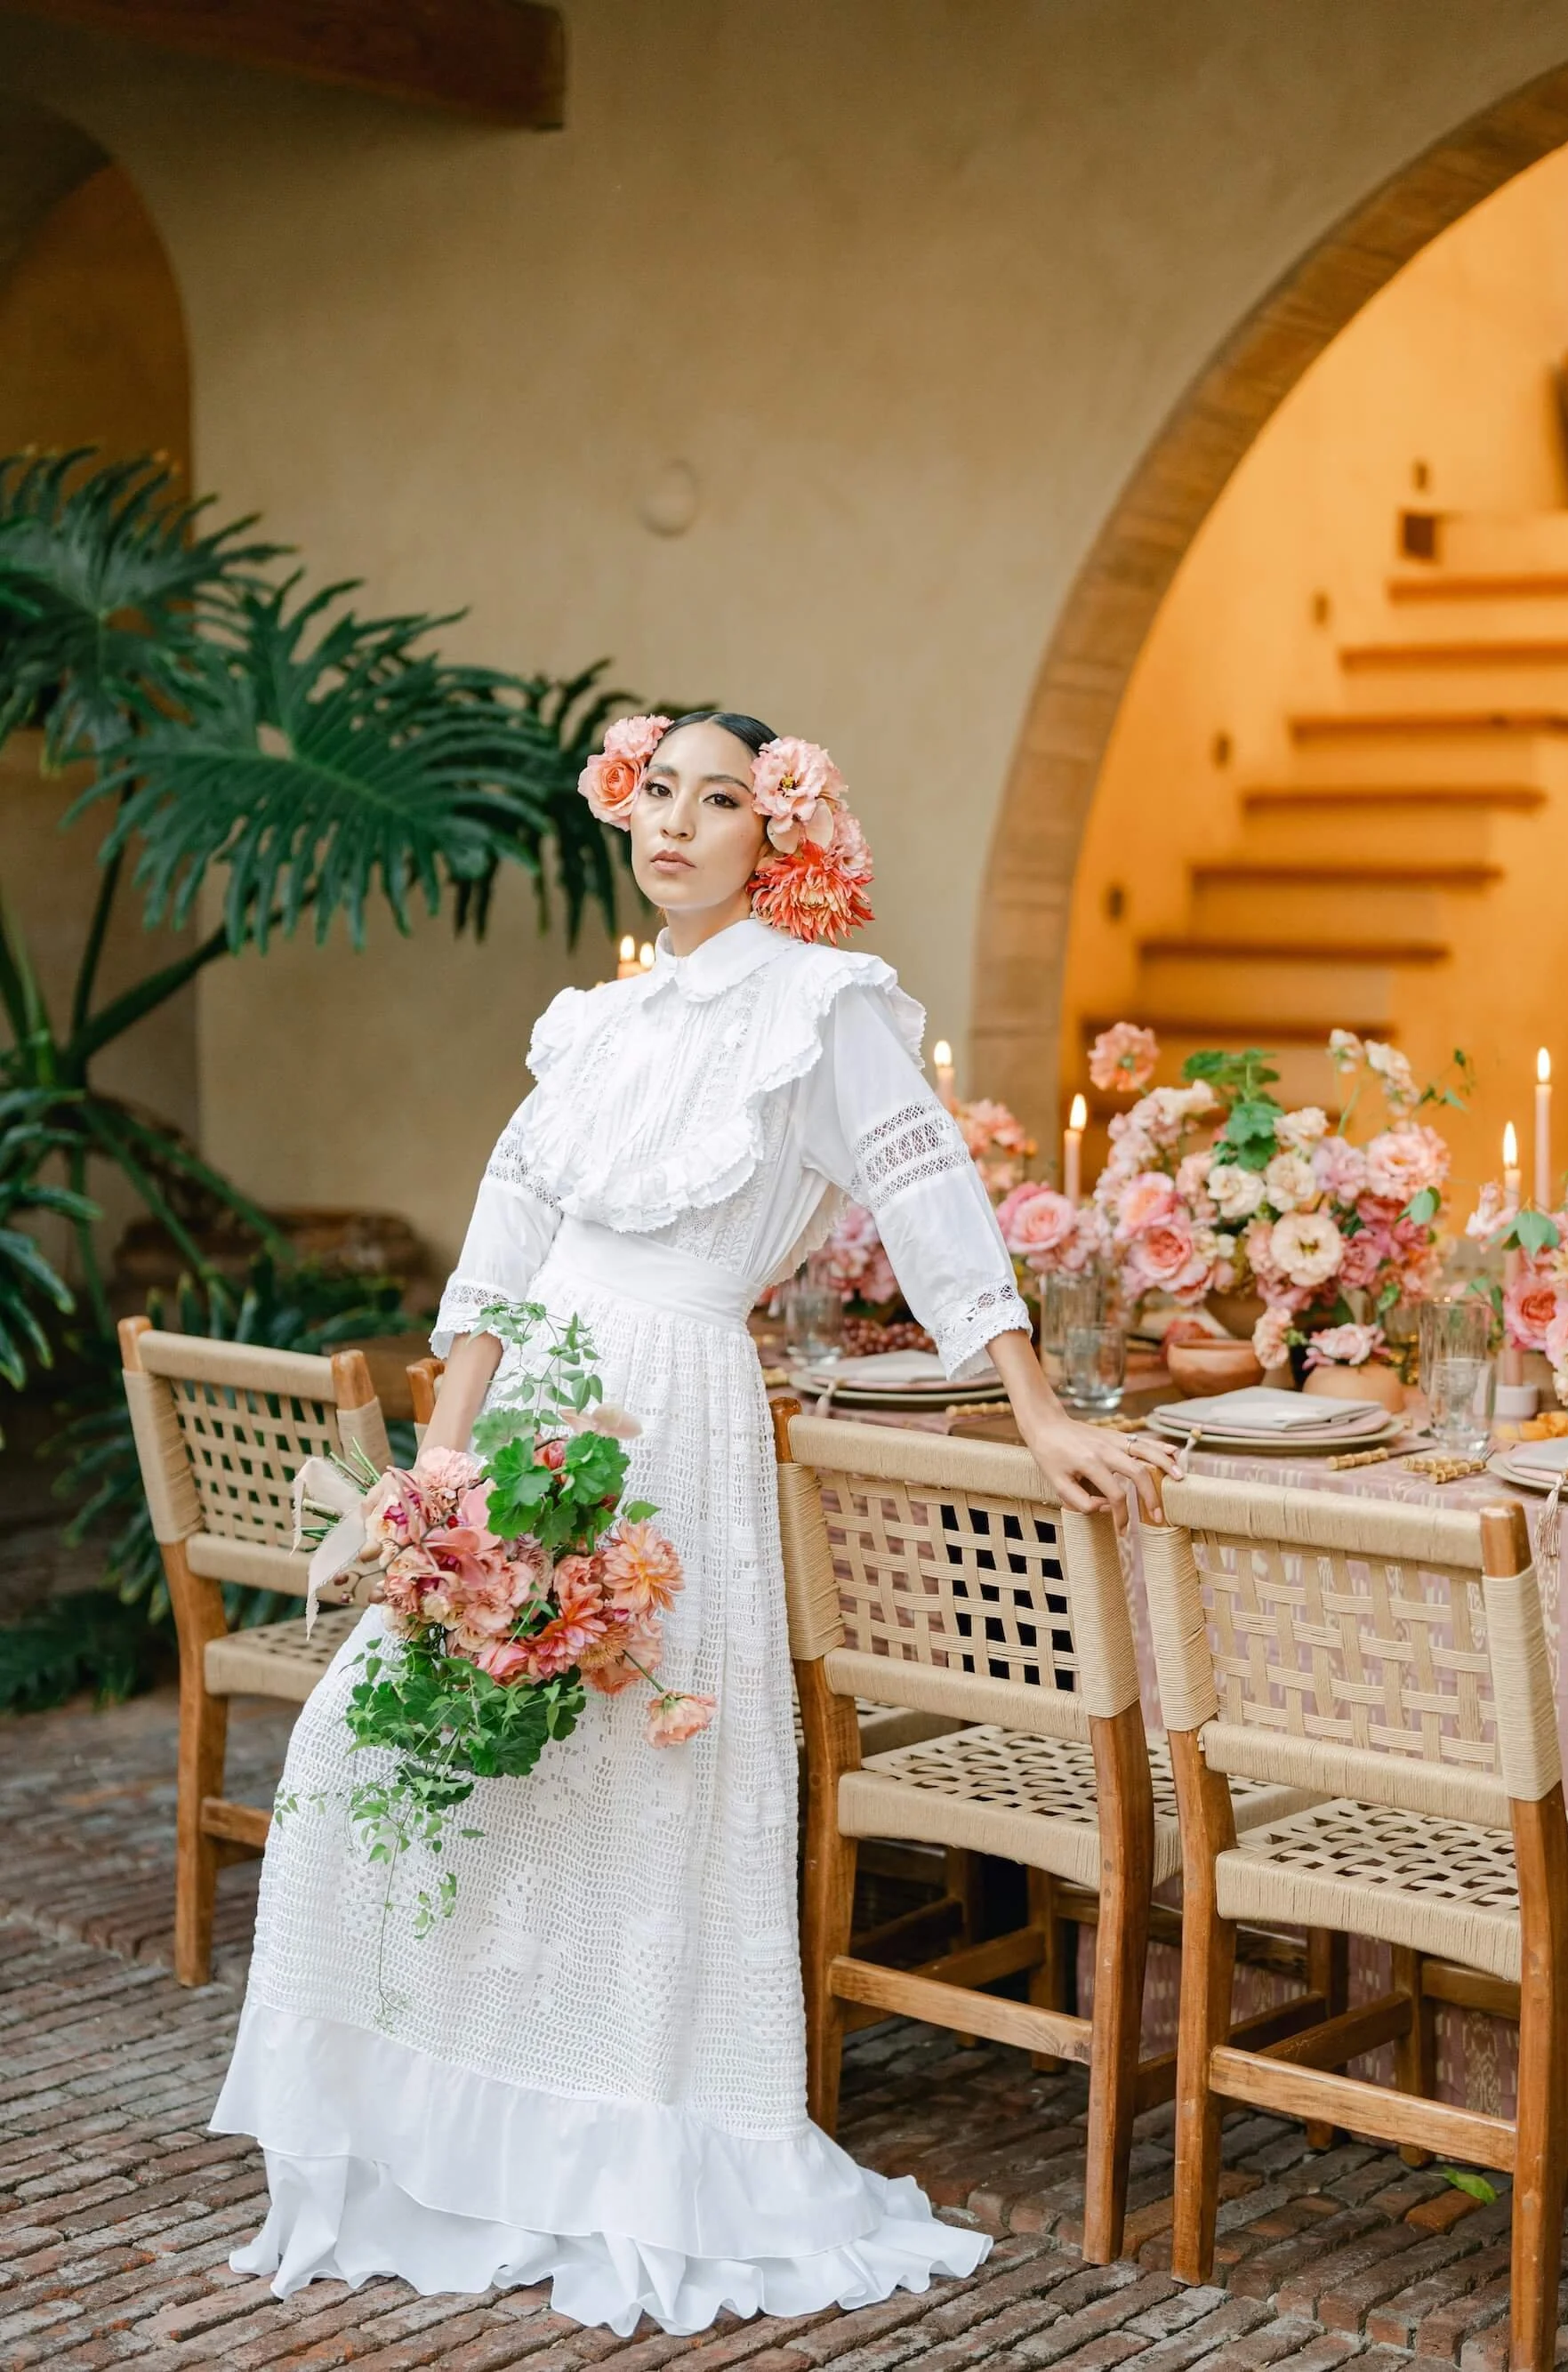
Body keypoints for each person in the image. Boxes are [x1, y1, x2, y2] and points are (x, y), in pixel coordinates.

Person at [211, 711, 1177, 2336]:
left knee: (629, 1799)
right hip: (523, 1427)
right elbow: (499, 1252)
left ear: (773, 837)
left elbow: (931, 1195)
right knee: (386, 1755)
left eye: (719, 799)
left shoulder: (824, 1007)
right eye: (658, 791)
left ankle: (626, 2150)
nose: (676, 822)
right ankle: (434, 2139)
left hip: (675, 1423)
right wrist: (437, 1472)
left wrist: (1035, 1406)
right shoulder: (592, 1021)